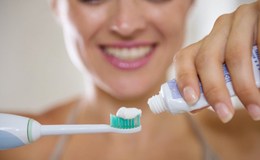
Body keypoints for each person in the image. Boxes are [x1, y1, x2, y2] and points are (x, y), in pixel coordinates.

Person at [1, 0, 260, 159]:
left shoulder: (253, 140)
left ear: (191, 2)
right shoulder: (12, 150)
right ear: (56, 4)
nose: (126, 25)